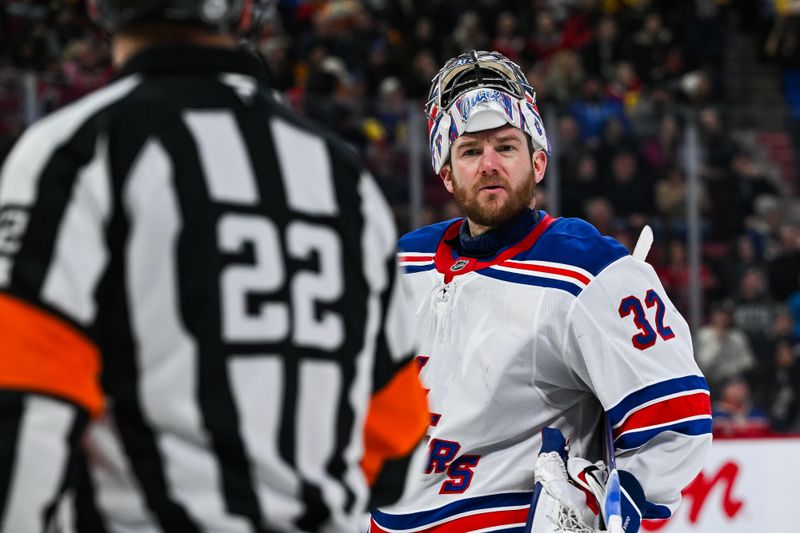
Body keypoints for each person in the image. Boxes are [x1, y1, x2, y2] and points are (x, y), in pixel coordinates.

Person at [0, 1, 428, 531]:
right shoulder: (345, 179)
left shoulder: (77, 152)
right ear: (249, 10)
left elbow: (23, 425)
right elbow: (396, 442)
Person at [369, 51, 711, 533]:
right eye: (470, 152)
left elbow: (676, 419)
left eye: (506, 147)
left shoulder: (589, 272)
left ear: (538, 160)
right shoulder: (401, 266)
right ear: (447, 174)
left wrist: (621, 506)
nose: (489, 164)